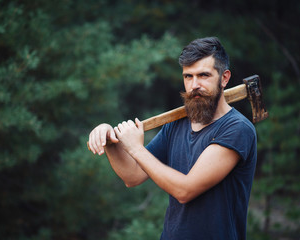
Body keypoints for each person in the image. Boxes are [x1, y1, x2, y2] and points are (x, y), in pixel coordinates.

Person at [88, 37, 257, 240]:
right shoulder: (176, 124)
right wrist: (109, 140)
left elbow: (185, 190)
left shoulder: (237, 129)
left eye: (203, 75)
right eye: (188, 76)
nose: (194, 85)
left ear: (224, 78)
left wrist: (136, 148)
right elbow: (132, 177)